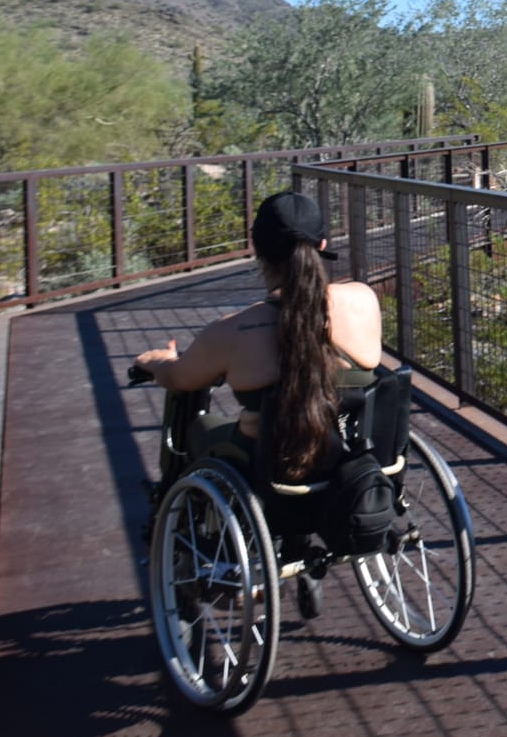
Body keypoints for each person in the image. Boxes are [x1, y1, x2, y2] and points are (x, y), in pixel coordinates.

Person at [136, 189, 383, 615]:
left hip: (273, 470)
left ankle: (182, 536)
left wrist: (155, 361)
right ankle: (299, 546)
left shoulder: (234, 333)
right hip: (352, 462)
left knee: (197, 429)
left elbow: (180, 378)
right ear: (323, 245)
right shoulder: (363, 301)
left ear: (258, 251)